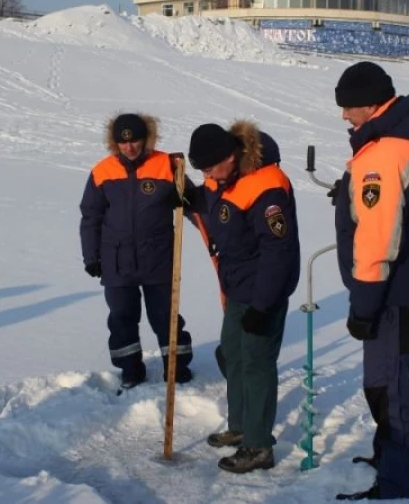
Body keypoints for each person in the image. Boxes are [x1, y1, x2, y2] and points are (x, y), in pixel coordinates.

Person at [331, 62, 409, 500]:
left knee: (388, 385)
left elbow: (379, 238)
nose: (343, 115)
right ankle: (388, 455)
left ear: (373, 103)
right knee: (389, 379)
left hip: (391, 291)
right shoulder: (403, 140)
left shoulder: (384, 154)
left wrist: (364, 306)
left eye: (349, 107)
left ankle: (396, 482)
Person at [184, 121, 300, 474]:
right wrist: (192, 199)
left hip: (264, 291)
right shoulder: (221, 180)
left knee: (256, 363)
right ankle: (240, 426)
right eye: (200, 169)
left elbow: (277, 253)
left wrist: (263, 306)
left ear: (232, 157)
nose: (206, 174)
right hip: (236, 286)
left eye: (210, 167)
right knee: (232, 353)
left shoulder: (267, 187)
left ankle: (259, 446)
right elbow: (218, 208)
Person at [79, 113, 194, 391]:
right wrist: (91, 256)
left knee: (165, 315)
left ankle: (176, 367)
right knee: (122, 317)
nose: (129, 147)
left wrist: (185, 199)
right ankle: (130, 370)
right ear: (115, 143)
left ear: (146, 139)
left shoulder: (167, 165)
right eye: (123, 142)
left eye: (135, 141)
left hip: (158, 257)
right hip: (116, 260)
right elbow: (90, 217)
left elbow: (195, 204)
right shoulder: (102, 171)